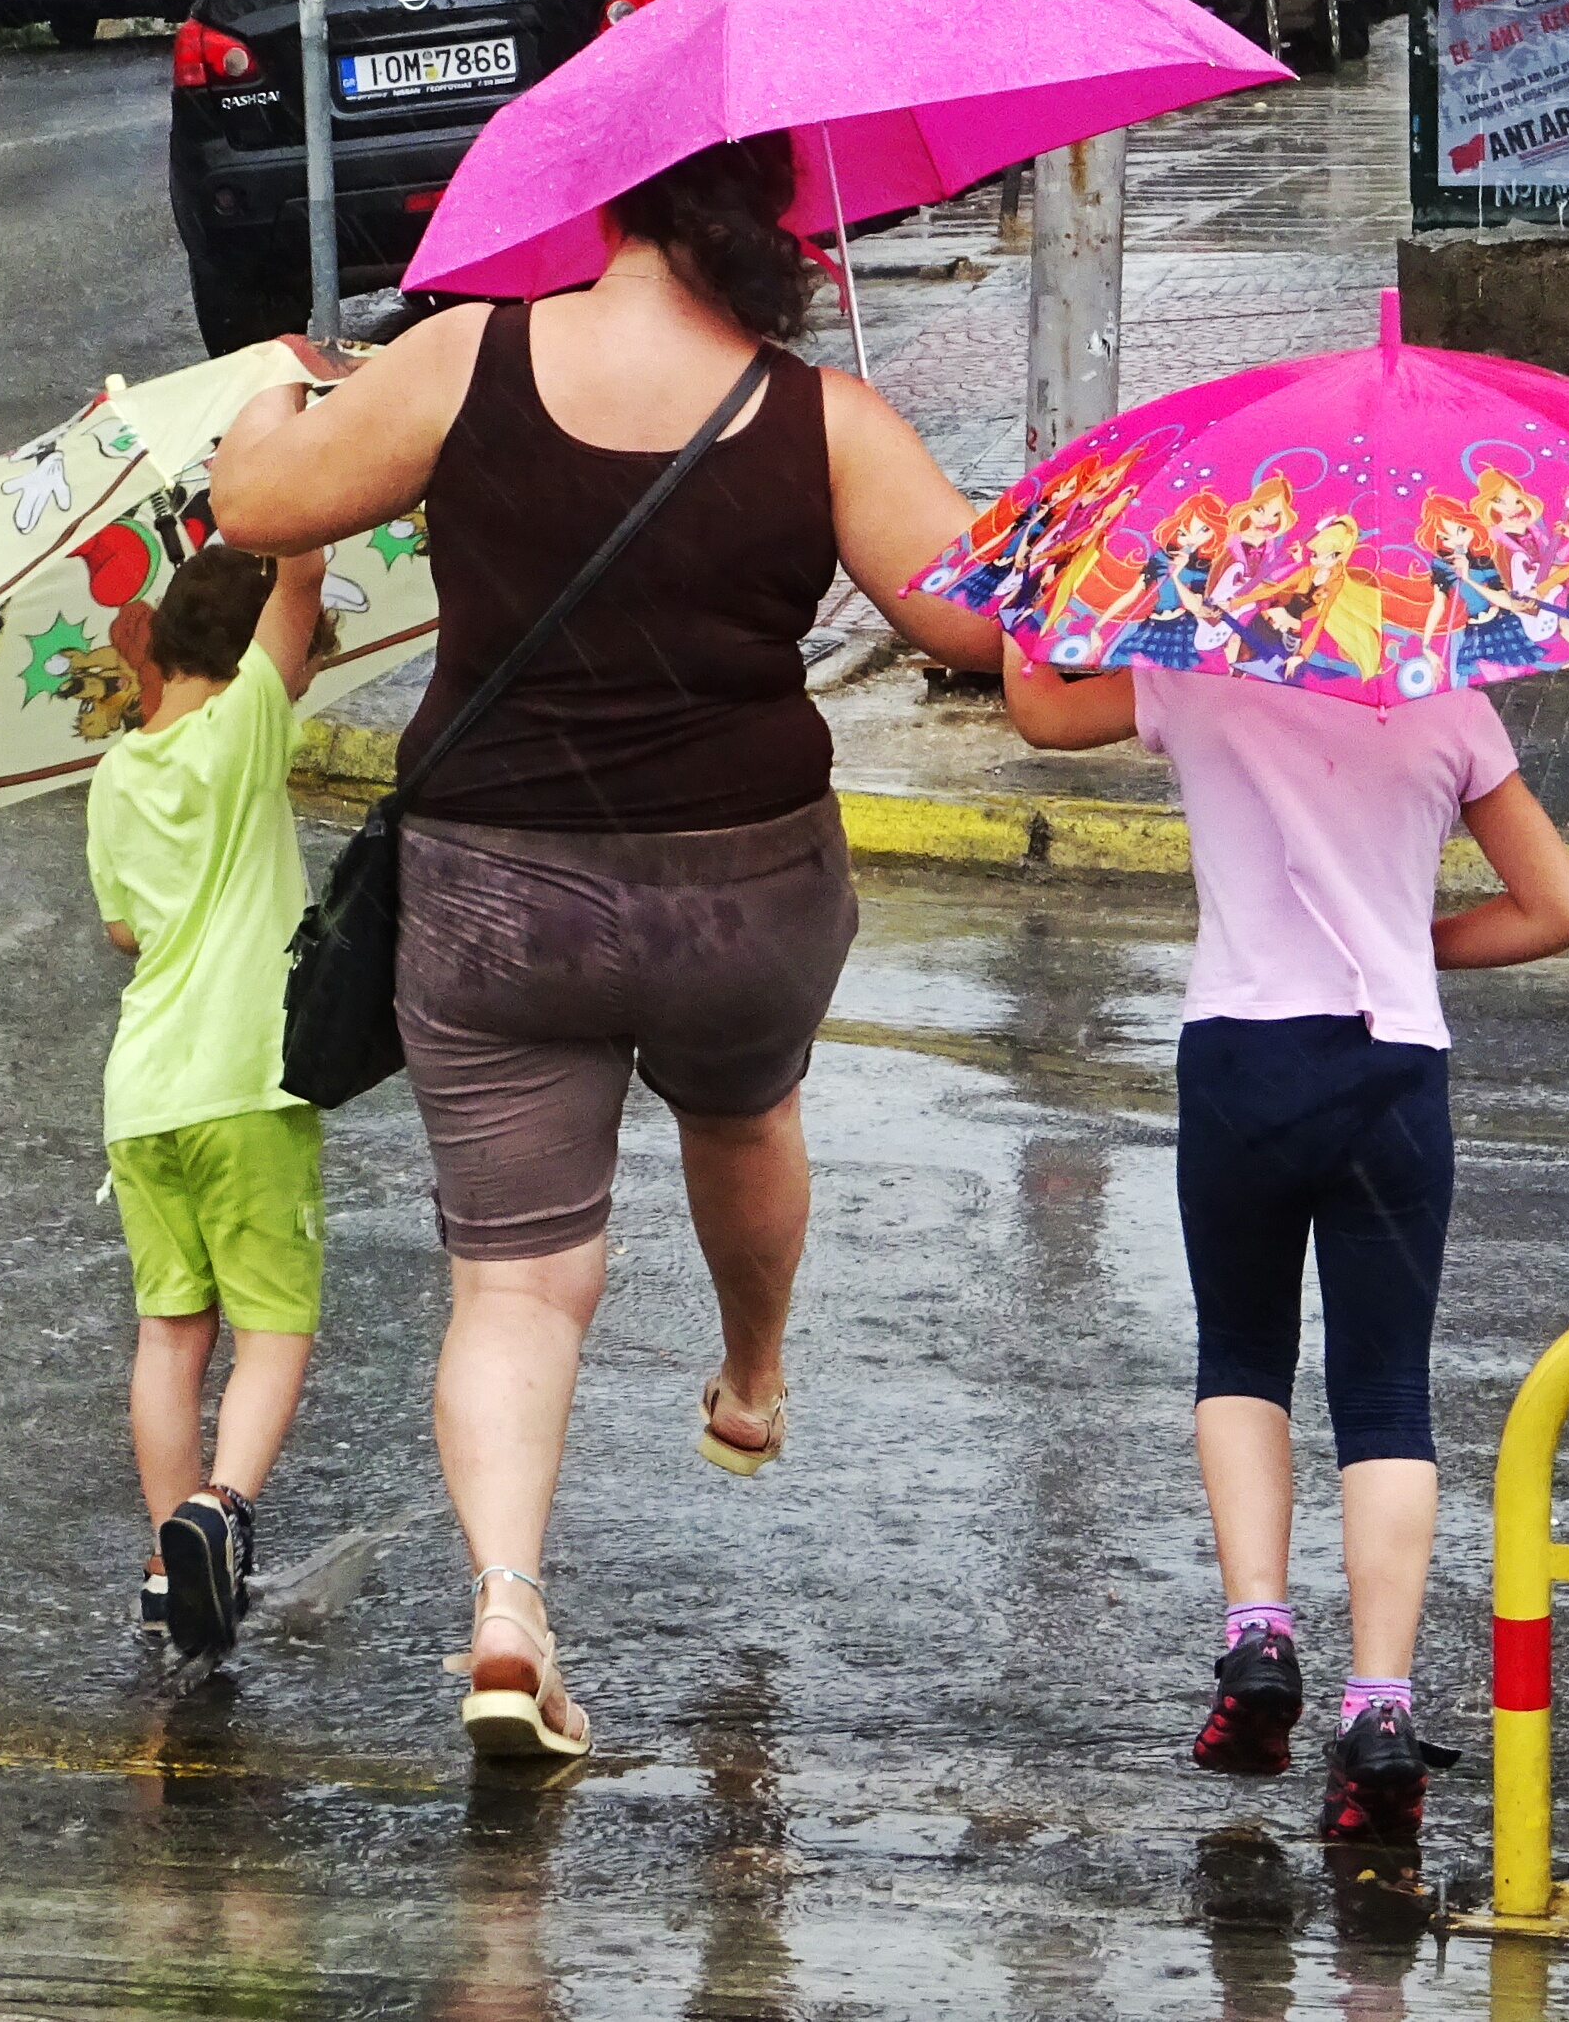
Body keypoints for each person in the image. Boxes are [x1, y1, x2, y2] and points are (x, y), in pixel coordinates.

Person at [211, 133, 1001, 1760]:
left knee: (514, 1280)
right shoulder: (825, 417)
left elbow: (255, 502)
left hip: (497, 890)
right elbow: (978, 623)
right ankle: (753, 1377)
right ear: (773, 226)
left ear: (621, 202)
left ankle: (508, 1607)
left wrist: (273, 399)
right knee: (745, 1109)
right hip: (746, 891)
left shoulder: (461, 359)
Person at [1001, 651, 1569, 1843]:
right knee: (1383, 1393)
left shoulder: (1195, 679)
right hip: (1389, 1069)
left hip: (1237, 1059)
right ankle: (1378, 1713)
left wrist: (1039, 603)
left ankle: (1258, 1639)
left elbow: (1041, 714)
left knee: (1242, 1354)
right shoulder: (1450, 707)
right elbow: (1557, 909)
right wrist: (1404, 942)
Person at [87, 541, 332, 1663]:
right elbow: (304, 580)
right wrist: (286, 471)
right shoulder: (245, 731)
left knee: (169, 1333)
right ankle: (220, 1511)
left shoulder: (113, 774)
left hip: (141, 1095)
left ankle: (162, 1560)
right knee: (272, 1331)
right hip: (246, 1080)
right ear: (245, 662)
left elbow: (124, 930)